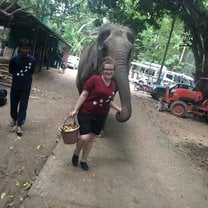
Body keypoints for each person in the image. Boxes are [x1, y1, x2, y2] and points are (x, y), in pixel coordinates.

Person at [69, 56, 122, 171]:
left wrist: (119, 109)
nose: (109, 72)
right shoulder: (94, 79)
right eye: (106, 69)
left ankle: (84, 160)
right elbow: (84, 94)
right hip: (86, 112)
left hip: (101, 116)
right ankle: (76, 153)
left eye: (111, 70)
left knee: (92, 138)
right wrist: (75, 109)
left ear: (114, 71)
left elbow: (109, 100)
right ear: (103, 70)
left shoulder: (113, 84)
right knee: (84, 137)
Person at [9, 38, 36, 136]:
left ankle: (19, 124)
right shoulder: (14, 59)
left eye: (27, 48)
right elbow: (11, 70)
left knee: (23, 105)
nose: (25, 50)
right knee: (13, 103)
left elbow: (31, 72)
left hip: (26, 87)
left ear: (29, 49)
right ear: (20, 48)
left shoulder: (32, 60)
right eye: (23, 48)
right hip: (15, 85)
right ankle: (14, 119)